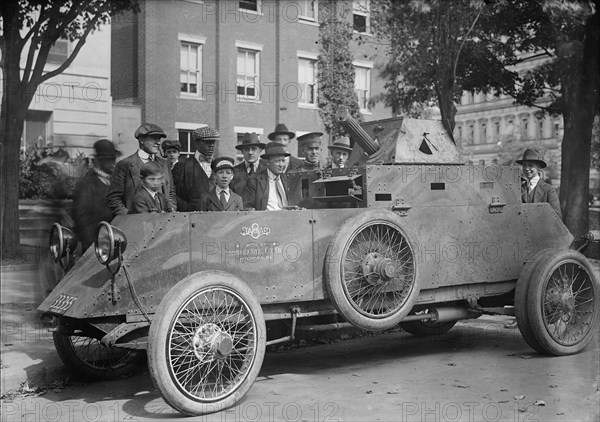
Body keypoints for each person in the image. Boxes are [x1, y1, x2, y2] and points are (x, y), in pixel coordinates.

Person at [107, 123, 176, 215]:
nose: (158, 142)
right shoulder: (125, 165)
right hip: (136, 225)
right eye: (154, 138)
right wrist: (129, 217)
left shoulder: (164, 164)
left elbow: (170, 193)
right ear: (142, 140)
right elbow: (114, 198)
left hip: (162, 224)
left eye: (159, 138)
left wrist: (171, 210)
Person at [72, 139, 121, 251]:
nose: (113, 162)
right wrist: (93, 247)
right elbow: (81, 219)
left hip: (115, 243)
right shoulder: (86, 185)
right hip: (95, 247)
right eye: (108, 160)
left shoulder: (116, 182)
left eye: (114, 159)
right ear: (98, 161)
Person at [172, 126, 218, 211]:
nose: (211, 145)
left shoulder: (219, 166)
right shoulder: (182, 166)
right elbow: (174, 194)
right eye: (207, 142)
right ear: (196, 143)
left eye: (213, 142)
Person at [242, 142, 296, 210]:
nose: (281, 165)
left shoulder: (288, 180)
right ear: (267, 162)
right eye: (277, 161)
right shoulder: (254, 181)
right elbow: (247, 207)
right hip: (266, 219)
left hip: (287, 218)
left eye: (283, 161)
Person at [516, 148, 562, 218]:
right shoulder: (519, 189)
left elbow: (557, 217)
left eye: (531, 165)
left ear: (538, 167)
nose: (527, 168)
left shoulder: (548, 190)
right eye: (524, 165)